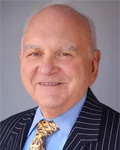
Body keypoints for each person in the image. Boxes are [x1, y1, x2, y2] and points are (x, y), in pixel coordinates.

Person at [0, 4, 119, 150]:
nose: (46, 69)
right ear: (21, 60)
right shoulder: (3, 131)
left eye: (64, 54)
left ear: (93, 66)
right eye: (35, 53)